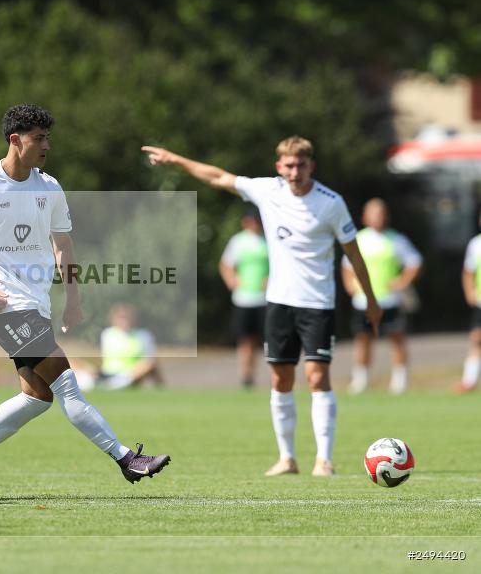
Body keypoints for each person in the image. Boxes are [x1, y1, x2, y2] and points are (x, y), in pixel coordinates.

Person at [0, 104, 171, 495]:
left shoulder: (49, 186)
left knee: (37, 396)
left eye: (48, 138)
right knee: (66, 385)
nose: (46, 145)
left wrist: (73, 298)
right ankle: (127, 459)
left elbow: (63, 244)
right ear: (15, 140)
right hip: (5, 306)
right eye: (38, 138)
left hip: (36, 305)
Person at [142, 136, 381, 477]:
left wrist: (370, 300)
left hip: (318, 303)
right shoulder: (267, 191)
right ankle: (287, 458)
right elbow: (218, 177)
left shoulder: (331, 203)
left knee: (316, 376)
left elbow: (353, 254)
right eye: (288, 165)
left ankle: (324, 460)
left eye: (301, 165)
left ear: (311, 165)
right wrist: (175, 159)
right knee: (280, 378)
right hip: (280, 303)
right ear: (278, 166)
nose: (294, 171)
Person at [341, 198, 422, 395]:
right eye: (374, 214)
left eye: (381, 214)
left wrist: (402, 282)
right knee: (363, 340)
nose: (378, 218)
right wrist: (350, 285)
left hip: (389, 300)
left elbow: (415, 262)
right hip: (364, 301)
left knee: (396, 338)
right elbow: (347, 266)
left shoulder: (396, 240)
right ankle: (361, 381)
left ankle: (399, 381)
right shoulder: (358, 239)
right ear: (365, 217)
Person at [219, 210, 269, 388]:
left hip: (264, 298)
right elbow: (226, 264)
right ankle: (245, 375)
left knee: (261, 340)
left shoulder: (268, 240)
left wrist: (271, 279)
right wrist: (231, 280)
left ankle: (259, 373)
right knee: (244, 339)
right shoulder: (238, 241)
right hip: (243, 298)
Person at [458, 215, 481, 393]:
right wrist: (469, 291)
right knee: (476, 338)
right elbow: (468, 271)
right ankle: (469, 381)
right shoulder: (475, 244)